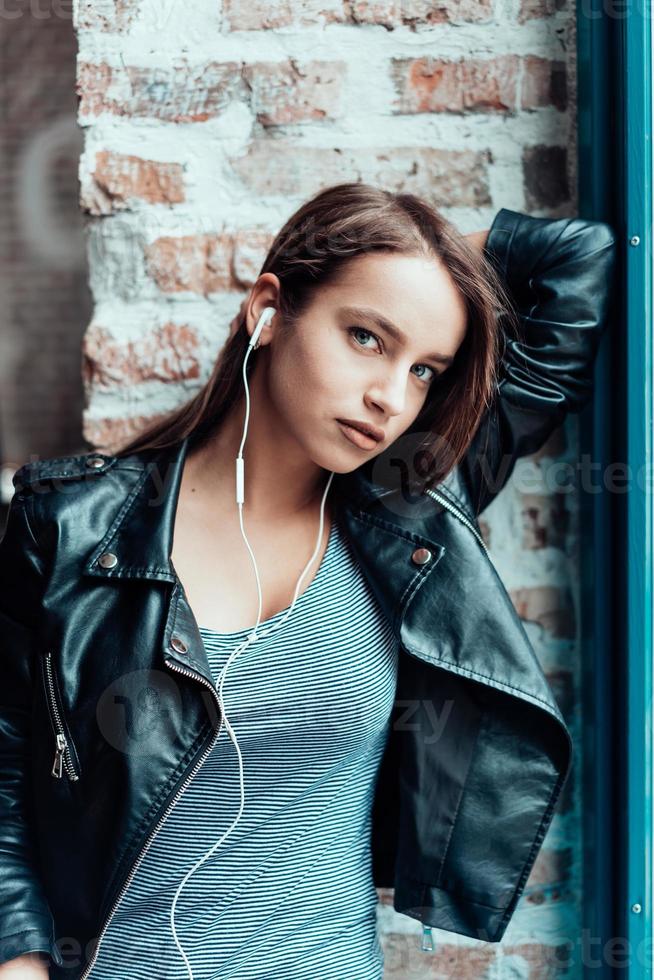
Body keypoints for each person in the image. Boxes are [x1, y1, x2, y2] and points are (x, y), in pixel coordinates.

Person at [0, 183, 617, 979]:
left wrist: (427, 253)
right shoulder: (72, 527)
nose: (390, 399)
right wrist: (19, 957)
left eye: (424, 369)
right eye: (366, 336)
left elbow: (579, 263)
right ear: (267, 309)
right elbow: (8, 767)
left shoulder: (411, 515)